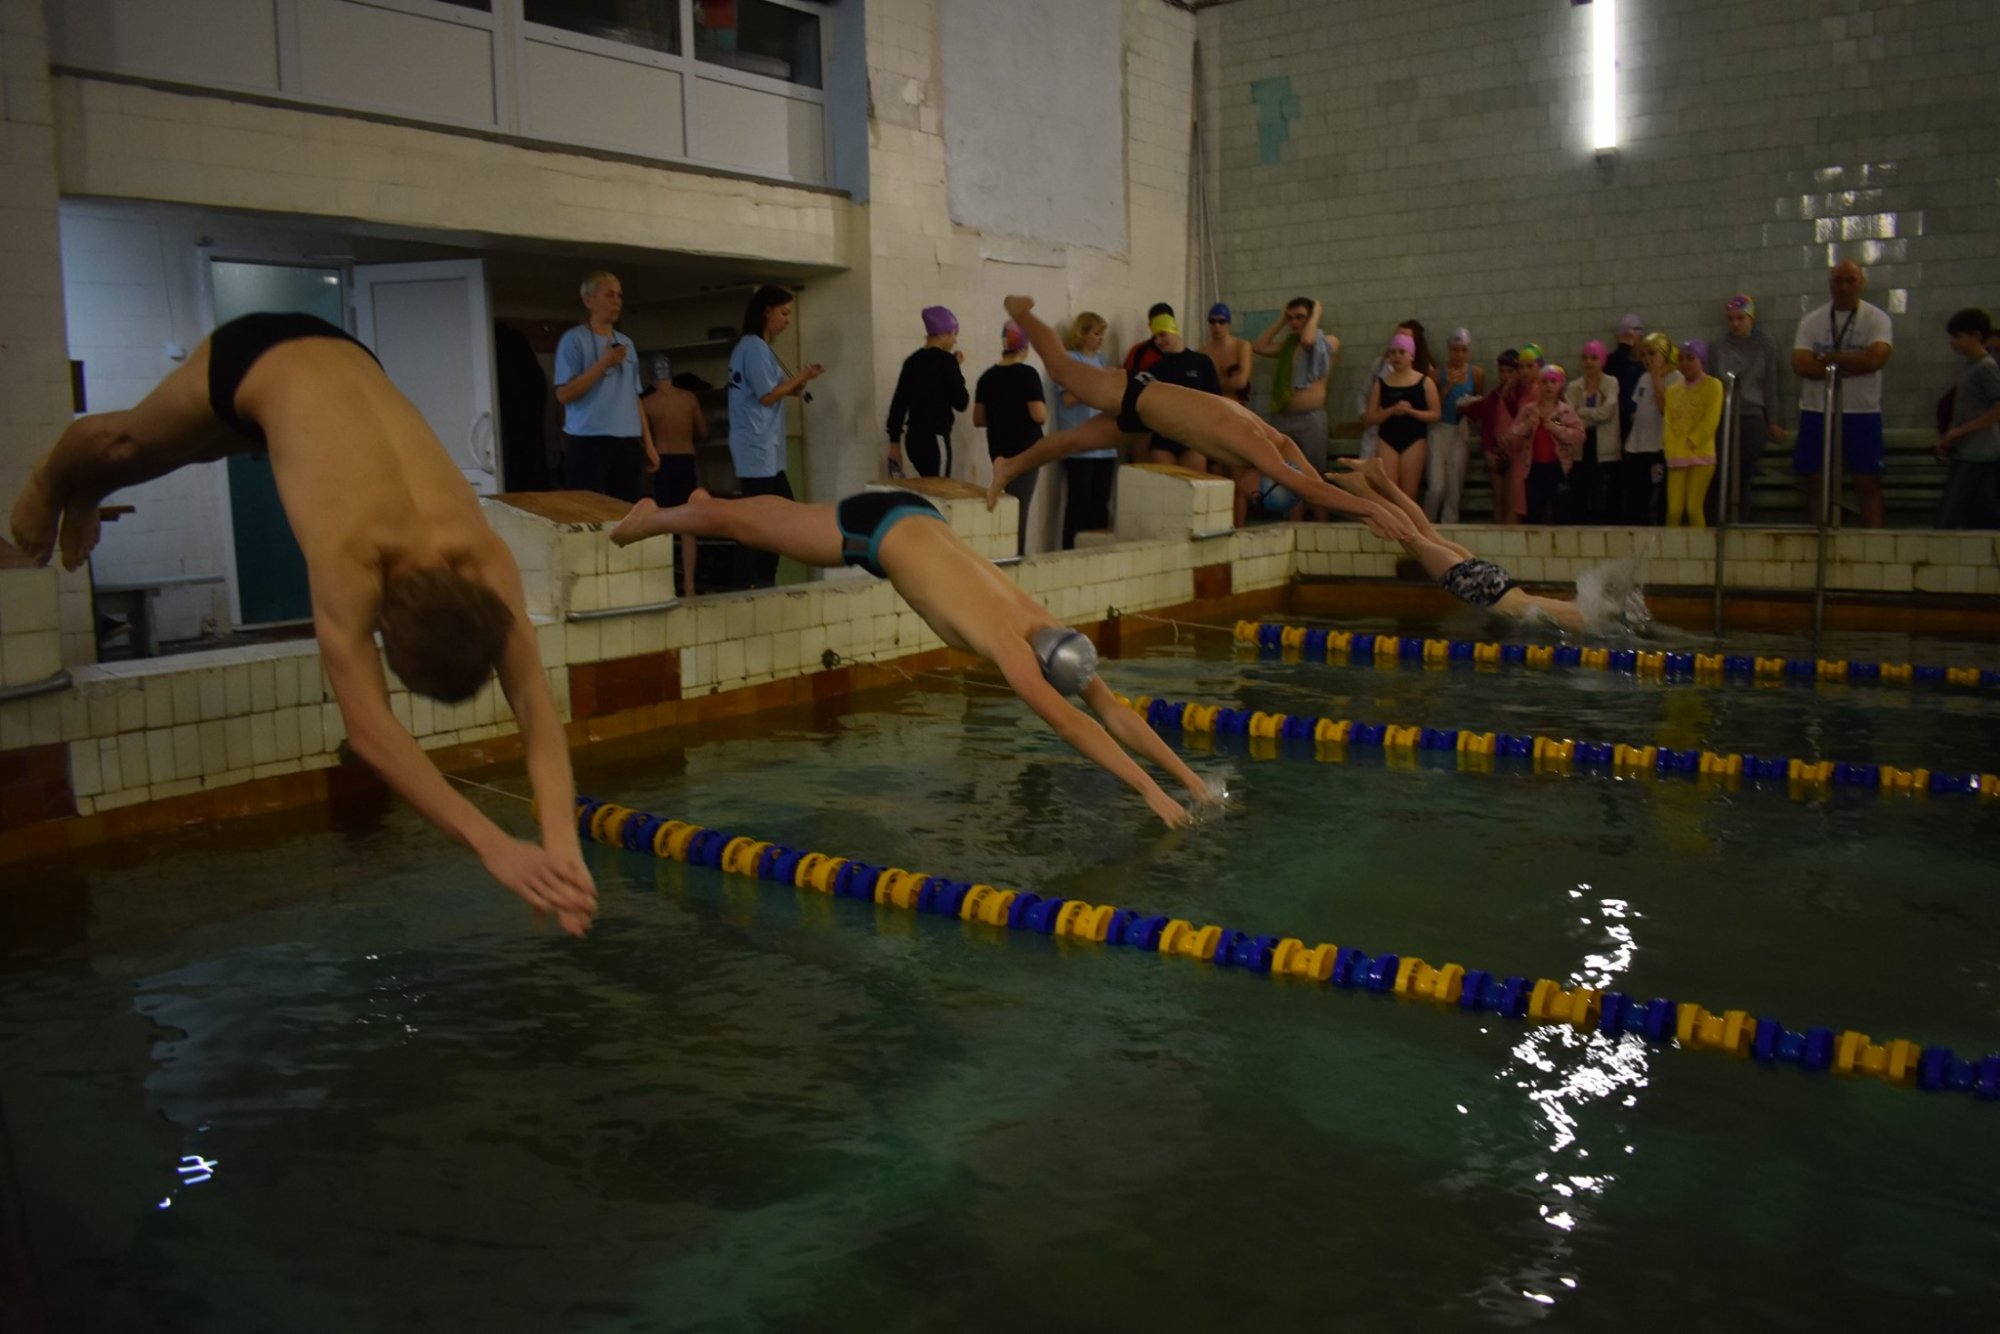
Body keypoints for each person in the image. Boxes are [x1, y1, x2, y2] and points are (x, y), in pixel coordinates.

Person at [8, 313, 597, 934]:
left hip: (342, 360)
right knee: (130, 443)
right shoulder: (353, 561)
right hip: (260, 356)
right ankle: (56, 481)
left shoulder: (483, 558)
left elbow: (534, 703)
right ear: (385, 629)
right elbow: (371, 735)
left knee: (196, 445)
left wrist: (561, 843)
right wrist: (494, 847)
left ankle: (88, 493)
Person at [608, 489, 1220, 828]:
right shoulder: (1013, 647)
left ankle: (706, 502)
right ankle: (654, 517)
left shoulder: (1044, 621)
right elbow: (1074, 723)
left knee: (769, 519)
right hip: (876, 533)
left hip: (917, 512)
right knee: (753, 528)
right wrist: (1147, 791)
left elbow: (1111, 711)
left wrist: (1192, 785)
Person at [985, 296, 1415, 541]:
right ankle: (1021, 310)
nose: (1247, 493)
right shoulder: (1255, 446)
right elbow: (1306, 487)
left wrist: (1372, 498)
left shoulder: (1278, 445)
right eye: (1258, 495)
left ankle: (1008, 465)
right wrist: (1372, 511)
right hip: (1138, 392)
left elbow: (1308, 480)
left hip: (1151, 419)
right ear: (1265, 481)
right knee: (1062, 370)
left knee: (1070, 441)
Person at [1327, 457, 1647, 633]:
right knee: (1412, 537)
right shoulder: (1586, 620)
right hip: (1486, 591)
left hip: (1498, 581)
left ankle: (1380, 479)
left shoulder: (1581, 608)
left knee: (1424, 534)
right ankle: (1365, 489)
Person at [728, 284, 822, 587]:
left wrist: (795, 387)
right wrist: (801, 377)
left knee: (781, 513)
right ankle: (751, 579)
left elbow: (769, 392)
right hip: (756, 446)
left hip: (766, 448)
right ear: (766, 311)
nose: (787, 320)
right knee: (761, 519)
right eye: (784, 313)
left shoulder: (758, 347)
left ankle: (764, 577)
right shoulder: (753, 346)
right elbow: (767, 395)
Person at [1792, 260, 1894, 527]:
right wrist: (1852, 362)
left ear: (1862, 283)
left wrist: (1828, 359)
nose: (1844, 287)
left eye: (1851, 280)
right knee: (1816, 481)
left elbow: (1875, 360)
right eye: (1838, 281)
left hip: (1861, 411)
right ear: (1830, 284)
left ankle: (1873, 542)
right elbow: (1800, 364)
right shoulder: (1812, 321)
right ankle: (1819, 535)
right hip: (1817, 410)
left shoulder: (1877, 319)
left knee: (1867, 481)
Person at [553, 271, 657, 502]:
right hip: (589, 439)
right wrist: (603, 363)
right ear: (589, 301)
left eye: (619, 295)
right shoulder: (574, 340)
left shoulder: (626, 342)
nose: (616, 301)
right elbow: (563, 394)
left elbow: (634, 396)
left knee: (626, 509)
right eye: (609, 295)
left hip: (627, 440)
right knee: (586, 510)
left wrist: (648, 443)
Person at [1710, 294, 1786, 522]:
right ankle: (1717, 521)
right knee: (1720, 472)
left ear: (1751, 319)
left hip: (1751, 415)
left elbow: (1771, 384)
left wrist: (1773, 420)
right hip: (1725, 414)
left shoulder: (1764, 345)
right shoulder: (1718, 347)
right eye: (1731, 319)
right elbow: (1713, 384)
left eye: (1740, 319)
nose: (1735, 324)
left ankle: (1738, 521)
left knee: (1741, 474)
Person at [974, 321, 1047, 556]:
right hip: (1027, 452)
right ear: (1024, 347)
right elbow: (1039, 415)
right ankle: (1015, 561)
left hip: (998, 451)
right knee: (1019, 510)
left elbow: (978, 419)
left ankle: (1002, 556)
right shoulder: (1028, 374)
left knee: (1003, 507)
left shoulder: (987, 377)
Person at [640, 356, 709, 599]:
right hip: (685, 461)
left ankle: (663, 584)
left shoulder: (646, 403)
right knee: (688, 527)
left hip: (661, 464)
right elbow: (703, 431)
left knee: (662, 525)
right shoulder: (689, 399)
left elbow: (642, 440)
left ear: (650, 376)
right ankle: (689, 586)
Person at [1251, 297, 1339, 478]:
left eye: (1300, 317)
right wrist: (1281, 320)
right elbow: (1258, 346)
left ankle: (1318, 507)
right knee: (1285, 475)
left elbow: (1308, 341)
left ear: (1311, 317)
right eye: (1290, 318)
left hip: (1310, 420)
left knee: (1313, 475)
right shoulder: (1288, 346)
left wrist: (1316, 312)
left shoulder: (1329, 342)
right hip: (1284, 417)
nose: (1294, 322)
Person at [1056, 311, 1117, 549]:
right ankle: (1070, 552)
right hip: (1079, 445)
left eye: (1102, 334)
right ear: (1081, 334)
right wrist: (1099, 383)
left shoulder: (1102, 361)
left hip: (1104, 446)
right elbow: (1069, 398)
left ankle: (1097, 551)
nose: (1100, 338)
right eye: (1096, 333)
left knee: (1101, 502)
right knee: (1079, 503)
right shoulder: (1071, 361)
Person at [1935, 307, 2000, 529]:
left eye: (1958, 337)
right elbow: (1963, 409)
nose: (1953, 342)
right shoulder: (1969, 367)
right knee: (1983, 510)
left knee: (1949, 513)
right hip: (1970, 448)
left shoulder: (1986, 368)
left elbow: (1997, 409)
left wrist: (1959, 432)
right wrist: (1950, 437)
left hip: (1978, 450)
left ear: (1976, 336)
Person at [886, 306, 968, 479]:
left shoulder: (912, 362)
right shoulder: (947, 362)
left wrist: (894, 444)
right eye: (954, 334)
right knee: (939, 492)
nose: (955, 341)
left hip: (913, 440)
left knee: (926, 488)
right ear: (943, 333)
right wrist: (957, 371)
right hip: (936, 439)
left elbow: (898, 404)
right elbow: (961, 402)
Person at [1133, 312, 1219, 474]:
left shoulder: (1201, 362)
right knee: (1166, 493)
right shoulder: (1156, 369)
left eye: (1162, 334)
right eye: (1155, 337)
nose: (1159, 341)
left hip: (1193, 437)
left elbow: (1216, 401)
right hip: (1164, 439)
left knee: (1194, 492)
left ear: (1174, 330)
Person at [1362, 331, 1440, 501]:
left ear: (1411, 356)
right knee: (1388, 492)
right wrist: (1391, 410)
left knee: (1408, 494)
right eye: (1393, 352)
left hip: (1415, 440)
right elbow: (1369, 419)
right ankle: (1391, 527)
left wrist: (1411, 412)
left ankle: (1407, 527)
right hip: (1387, 439)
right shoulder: (1381, 383)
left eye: (1402, 352)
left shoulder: (1425, 382)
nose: (1396, 356)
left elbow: (1435, 414)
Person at [1507, 364, 1585, 523]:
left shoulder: (1563, 412)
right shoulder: (1530, 410)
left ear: (1560, 385)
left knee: (1561, 513)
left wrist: (1556, 428)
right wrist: (1528, 424)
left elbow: (1579, 435)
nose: (1548, 386)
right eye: (1544, 382)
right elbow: (1512, 435)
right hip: (1534, 469)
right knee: (1534, 513)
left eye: (1553, 381)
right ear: (1538, 385)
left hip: (1558, 469)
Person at [1662, 340, 1724, 528]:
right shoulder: (1673, 391)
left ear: (1701, 360)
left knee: (1693, 508)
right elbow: (1668, 422)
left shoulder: (1714, 385)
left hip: (1701, 455)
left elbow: (1711, 419)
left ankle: (1699, 552)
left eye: (1691, 358)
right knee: (1673, 511)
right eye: (1681, 359)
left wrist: (1693, 440)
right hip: (1677, 455)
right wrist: (1670, 446)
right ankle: (1669, 551)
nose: (1685, 363)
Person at [1426, 327, 1484, 523]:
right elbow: (1432, 407)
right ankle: (1427, 521)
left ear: (1468, 350)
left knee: (1454, 485)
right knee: (1436, 486)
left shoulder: (1476, 374)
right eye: (1455, 349)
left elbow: (1477, 401)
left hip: (1461, 429)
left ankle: (1449, 524)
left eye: (1463, 350)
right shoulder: (1435, 375)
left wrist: (1470, 406)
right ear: (1448, 349)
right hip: (1439, 429)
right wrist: (1448, 386)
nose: (1459, 354)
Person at [1620, 332, 1679, 525]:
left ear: (1664, 353)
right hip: (1637, 446)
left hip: (1658, 447)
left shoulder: (1675, 377)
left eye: (1652, 354)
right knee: (1636, 501)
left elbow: (1665, 409)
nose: (1647, 359)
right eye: (1644, 355)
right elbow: (1638, 409)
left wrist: (1656, 377)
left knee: (1656, 500)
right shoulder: (1643, 378)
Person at [1564, 340, 1623, 523]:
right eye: (1585, 358)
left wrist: (1580, 412)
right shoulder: (1574, 387)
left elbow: (1607, 412)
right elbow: (1563, 418)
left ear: (1603, 361)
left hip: (1604, 451)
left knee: (1602, 502)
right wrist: (1587, 417)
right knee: (1579, 500)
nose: (1589, 362)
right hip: (1580, 450)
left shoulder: (1611, 382)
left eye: (1594, 358)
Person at [1202, 302, 1255, 404]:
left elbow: (1241, 382)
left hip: (1236, 406)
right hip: (1212, 407)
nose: (1216, 325)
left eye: (1221, 321)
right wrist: (1228, 384)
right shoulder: (1202, 352)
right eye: (1212, 321)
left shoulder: (1242, 346)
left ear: (1228, 324)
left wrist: (1212, 385)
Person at [1606, 314, 1647, 444]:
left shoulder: (1649, 366)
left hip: (1644, 423)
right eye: (1625, 337)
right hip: (1619, 423)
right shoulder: (1614, 363)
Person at [1122, 302, 1178, 376]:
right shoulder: (1138, 352)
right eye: (1156, 323)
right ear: (1150, 325)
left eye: (1164, 322)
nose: (1160, 327)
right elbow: (1126, 380)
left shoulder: (1184, 355)